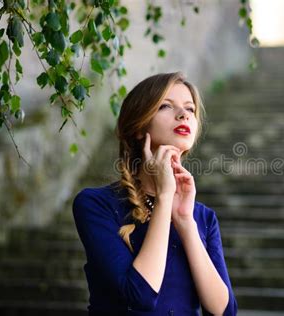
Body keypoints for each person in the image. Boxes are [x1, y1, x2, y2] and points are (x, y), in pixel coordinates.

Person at [72, 71, 238, 315]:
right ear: (139, 128)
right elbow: (140, 295)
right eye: (165, 106)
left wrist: (184, 220)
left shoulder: (202, 218)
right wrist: (164, 199)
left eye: (190, 109)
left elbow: (225, 312)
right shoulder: (96, 204)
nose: (183, 115)